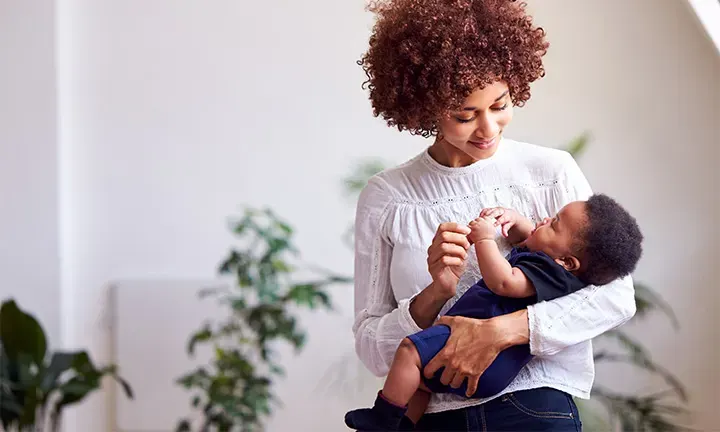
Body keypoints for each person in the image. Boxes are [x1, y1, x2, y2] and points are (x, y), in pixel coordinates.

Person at [351, 0, 638, 430]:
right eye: (465, 115)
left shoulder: (550, 174)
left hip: (534, 409)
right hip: (431, 419)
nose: (488, 130)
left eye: (500, 105)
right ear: (425, 104)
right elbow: (372, 349)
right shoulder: (388, 197)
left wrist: (502, 331)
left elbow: (615, 296)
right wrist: (434, 293)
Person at [345, 195, 643, 430]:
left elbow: (503, 281)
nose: (545, 219)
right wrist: (517, 221)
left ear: (567, 262)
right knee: (421, 383)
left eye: (554, 224)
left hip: (493, 369)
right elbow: (533, 239)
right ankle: (405, 424)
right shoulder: (556, 266)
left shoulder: (547, 271)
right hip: (491, 373)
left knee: (410, 351)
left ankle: (382, 419)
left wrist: (486, 238)